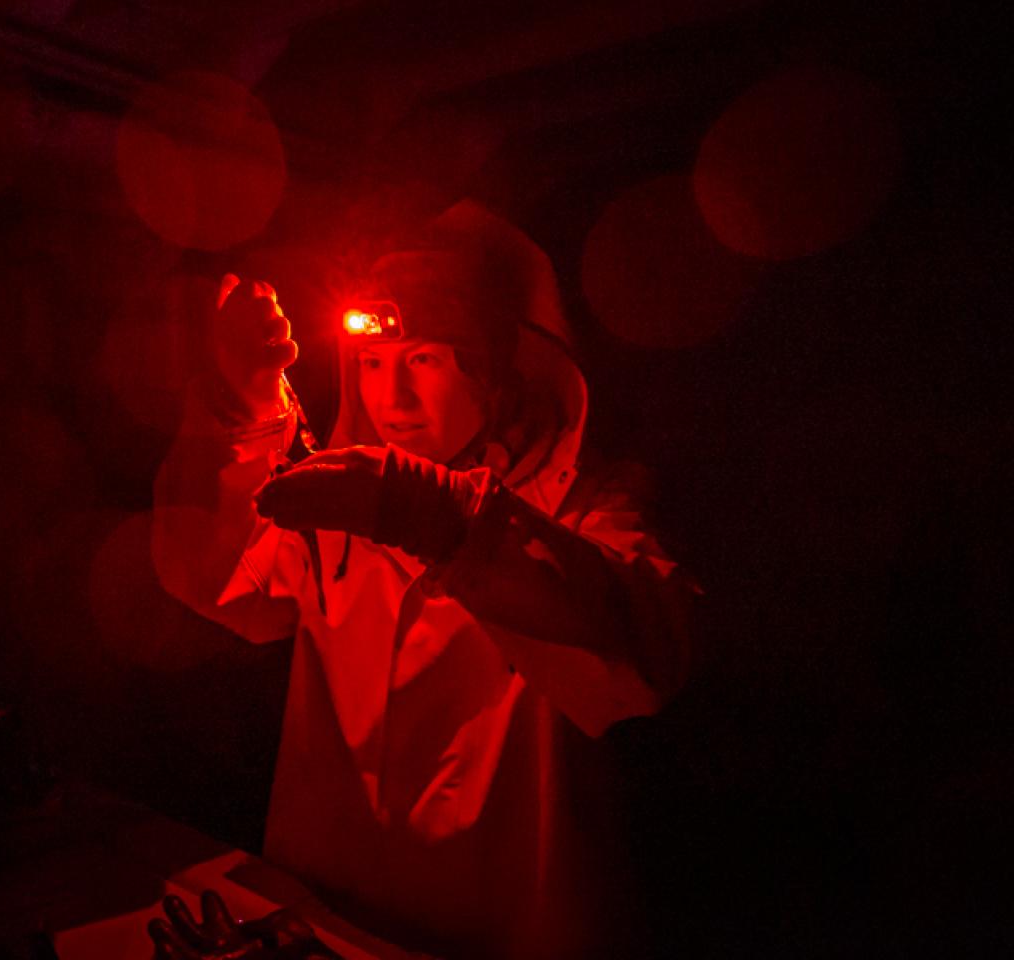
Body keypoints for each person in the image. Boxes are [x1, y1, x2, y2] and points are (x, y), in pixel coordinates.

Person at [152, 201, 697, 958]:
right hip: (337, 919)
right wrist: (241, 403)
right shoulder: (346, 499)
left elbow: (646, 657)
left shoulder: (582, 505)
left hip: (505, 923)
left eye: (426, 360)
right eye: (373, 363)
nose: (392, 399)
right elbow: (215, 583)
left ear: (503, 370)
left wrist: (439, 519)